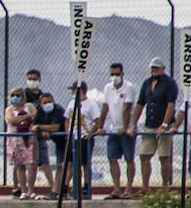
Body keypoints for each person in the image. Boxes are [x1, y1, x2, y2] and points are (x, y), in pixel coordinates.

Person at [133, 57, 179, 192]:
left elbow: (171, 105)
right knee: (144, 155)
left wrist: (165, 124)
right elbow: (140, 104)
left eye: (157, 68)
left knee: (164, 156)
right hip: (150, 124)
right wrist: (133, 123)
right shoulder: (146, 83)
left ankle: (165, 186)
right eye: (152, 68)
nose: (154, 70)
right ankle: (145, 187)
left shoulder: (170, 83)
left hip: (163, 124)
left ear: (163, 69)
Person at [99, 63, 137, 198]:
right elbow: (104, 108)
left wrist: (125, 127)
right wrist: (100, 126)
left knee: (129, 159)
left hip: (126, 131)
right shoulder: (107, 88)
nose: (115, 77)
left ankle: (128, 189)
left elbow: (127, 108)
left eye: (117, 74)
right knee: (112, 158)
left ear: (122, 74)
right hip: (113, 130)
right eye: (112, 74)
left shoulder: (129, 87)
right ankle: (116, 189)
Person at [59, 81, 102, 199]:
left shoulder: (91, 105)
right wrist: (68, 132)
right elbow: (67, 118)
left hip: (84, 137)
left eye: (74, 90)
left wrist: (90, 134)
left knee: (85, 163)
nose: (72, 93)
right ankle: (65, 187)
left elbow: (97, 120)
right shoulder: (72, 103)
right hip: (73, 138)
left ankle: (86, 186)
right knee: (69, 163)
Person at [2, 86, 36, 198]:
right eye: (13, 95)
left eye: (18, 95)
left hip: (28, 139)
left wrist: (22, 118)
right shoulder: (9, 110)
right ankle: (23, 191)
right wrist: (25, 117)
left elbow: (34, 117)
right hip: (15, 141)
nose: (15, 97)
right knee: (19, 166)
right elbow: (11, 120)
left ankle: (31, 190)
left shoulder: (29, 106)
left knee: (31, 164)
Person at [28, 90, 62, 197]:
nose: (48, 104)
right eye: (45, 103)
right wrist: (42, 130)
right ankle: (30, 191)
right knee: (32, 165)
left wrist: (40, 127)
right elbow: (33, 127)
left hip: (63, 140)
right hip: (43, 138)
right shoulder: (40, 111)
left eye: (50, 102)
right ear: (40, 104)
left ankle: (56, 190)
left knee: (61, 165)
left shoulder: (58, 110)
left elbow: (55, 127)